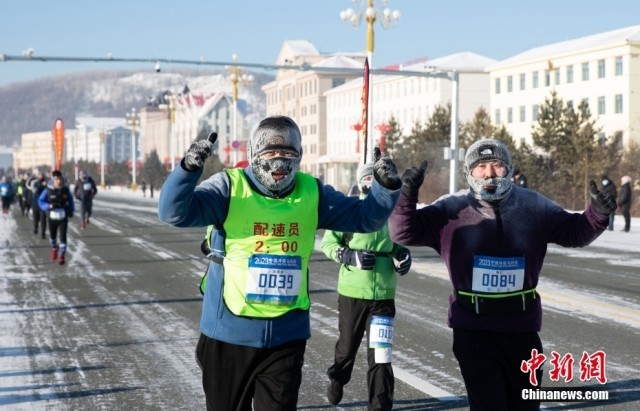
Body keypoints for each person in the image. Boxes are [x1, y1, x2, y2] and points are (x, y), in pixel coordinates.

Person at [158, 115, 401, 411]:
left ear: (299, 156)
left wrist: (385, 186)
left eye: (287, 153)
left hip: (286, 336)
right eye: (271, 152)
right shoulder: (230, 187)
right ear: (254, 154)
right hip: (229, 334)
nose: (279, 161)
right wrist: (188, 169)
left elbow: (366, 218)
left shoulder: (312, 192)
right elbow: (172, 212)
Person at [389, 138, 616, 411]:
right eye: (481, 166)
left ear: (509, 169)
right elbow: (403, 232)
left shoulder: (533, 205)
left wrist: (597, 214)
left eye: (496, 165)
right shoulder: (451, 208)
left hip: (522, 330)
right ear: (469, 172)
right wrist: (406, 195)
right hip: (473, 331)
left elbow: (575, 231)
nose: (489, 173)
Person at [320, 162, 411, 410]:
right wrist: (349, 255)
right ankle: (337, 378)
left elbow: (397, 244)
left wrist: (403, 254)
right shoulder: (351, 210)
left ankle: (380, 405)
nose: (371, 183)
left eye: (375, 179)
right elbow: (328, 244)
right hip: (352, 292)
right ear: (361, 182)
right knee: (347, 348)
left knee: (381, 355)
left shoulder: (392, 212)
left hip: (383, 293)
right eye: (367, 178)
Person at [39, 171, 75, 265]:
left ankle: (62, 256)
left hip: (63, 217)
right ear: (53, 180)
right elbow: (40, 201)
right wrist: (49, 206)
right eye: (57, 179)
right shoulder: (48, 190)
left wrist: (71, 210)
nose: (59, 181)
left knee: (63, 237)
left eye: (60, 179)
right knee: (52, 237)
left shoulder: (65, 189)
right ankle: (54, 248)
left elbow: (70, 200)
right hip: (52, 217)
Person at [28, 171, 48, 238]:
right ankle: (35, 228)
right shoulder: (35, 182)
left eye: (42, 175)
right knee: (36, 218)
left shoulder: (47, 183)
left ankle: (43, 233)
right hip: (35, 203)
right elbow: (35, 190)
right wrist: (41, 185)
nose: (41, 176)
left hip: (43, 204)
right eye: (39, 175)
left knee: (43, 219)